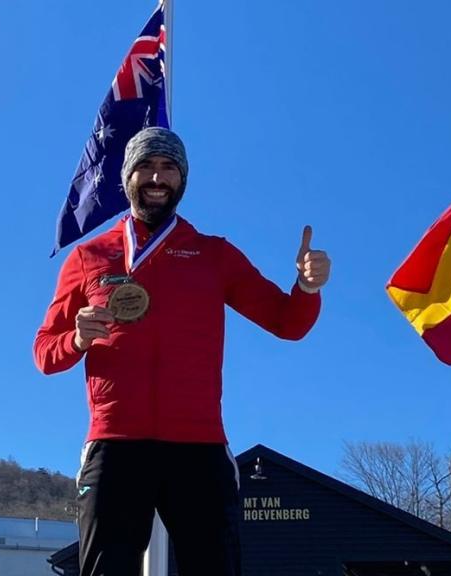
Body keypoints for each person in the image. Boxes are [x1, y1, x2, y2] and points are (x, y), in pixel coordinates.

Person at [33, 127, 330, 576]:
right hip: (115, 443)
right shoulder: (89, 257)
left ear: (182, 180)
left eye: (169, 167)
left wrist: (307, 286)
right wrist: (76, 340)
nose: (157, 177)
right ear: (127, 177)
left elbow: (287, 322)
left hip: (198, 446)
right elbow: (44, 352)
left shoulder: (214, 255)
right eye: (146, 166)